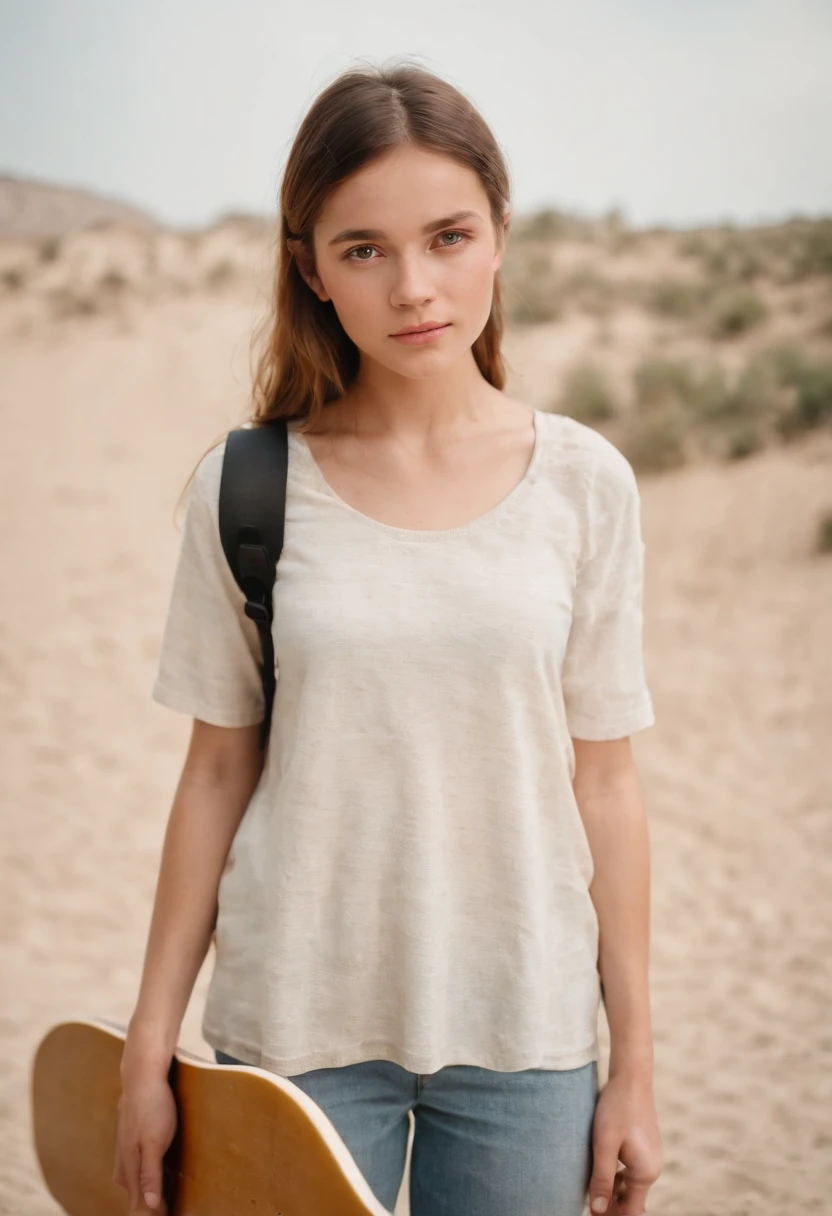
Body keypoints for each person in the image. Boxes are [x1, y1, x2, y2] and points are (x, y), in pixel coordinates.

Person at [113, 59, 663, 1216]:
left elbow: (606, 785)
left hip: (526, 1037)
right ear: (309, 267)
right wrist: (146, 1046)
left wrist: (636, 1071)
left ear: (500, 236)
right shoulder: (249, 485)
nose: (414, 286)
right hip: (297, 1032)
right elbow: (218, 767)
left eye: (448, 236)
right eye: (363, 248)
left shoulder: (584, 485)